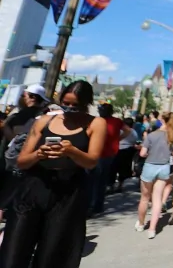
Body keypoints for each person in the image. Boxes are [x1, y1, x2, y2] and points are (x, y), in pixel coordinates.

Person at [0, 80, 107, 268]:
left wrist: (71, 151)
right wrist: (38, 154)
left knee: (53, 252)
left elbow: (91, 161)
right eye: (66, 103)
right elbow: (22, 161)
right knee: (14, 248)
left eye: (76, 105)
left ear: (87, 103)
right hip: (33, 187)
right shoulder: (45, 120)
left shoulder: (96, 124)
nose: (70, 108)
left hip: (68, 192)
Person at [0, 85, 52, 237]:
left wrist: (5, 127)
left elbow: (14, 138)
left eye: (24, 95)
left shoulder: (23, 115)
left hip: (14, 162)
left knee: (5, 199)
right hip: (31, 163)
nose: (21, 98)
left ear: (32, 97)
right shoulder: (44, 115)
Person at [136, 111, 173, 239]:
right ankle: (152, 229)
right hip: (164, 168)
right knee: (157, 199)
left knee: (144, 198)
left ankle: (141, 223)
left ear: (162, 120)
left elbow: (142, 154)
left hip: (150, 166)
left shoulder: (151, 135)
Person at [91, 103, 129, 213]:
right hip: (109, 153)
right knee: (101, 180)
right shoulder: (116, 121)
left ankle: (93, 205)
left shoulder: (100, 120)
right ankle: (98, 205)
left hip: (101, 153)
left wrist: (118, 138)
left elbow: (127, 130)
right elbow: (127, 130)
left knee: (95, 180)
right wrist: (118, 138)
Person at [111, 117, 138, 193]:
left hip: (119, 150)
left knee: (114, 168)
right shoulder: (134, 132)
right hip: (129, 151)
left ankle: (112, 185)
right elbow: (134, 141)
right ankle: (120, 184)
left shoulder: (121, 131)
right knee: (123, 169)